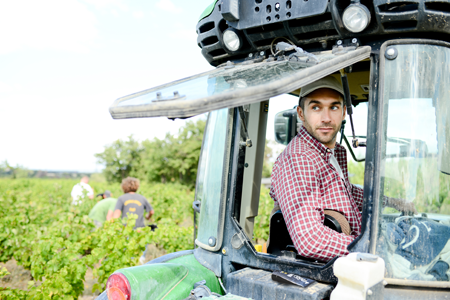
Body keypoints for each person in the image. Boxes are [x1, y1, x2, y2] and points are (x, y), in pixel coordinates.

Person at [270, 76, 415, 262]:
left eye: (334, 107)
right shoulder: (300, 158)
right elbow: (310, 241)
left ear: (344, 112)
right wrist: (370, 252)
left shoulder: (329, 153)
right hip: (340, 265)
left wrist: (392, 202)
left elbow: (345, 191)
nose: (326, 118)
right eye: (315, 107)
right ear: (301, 113)